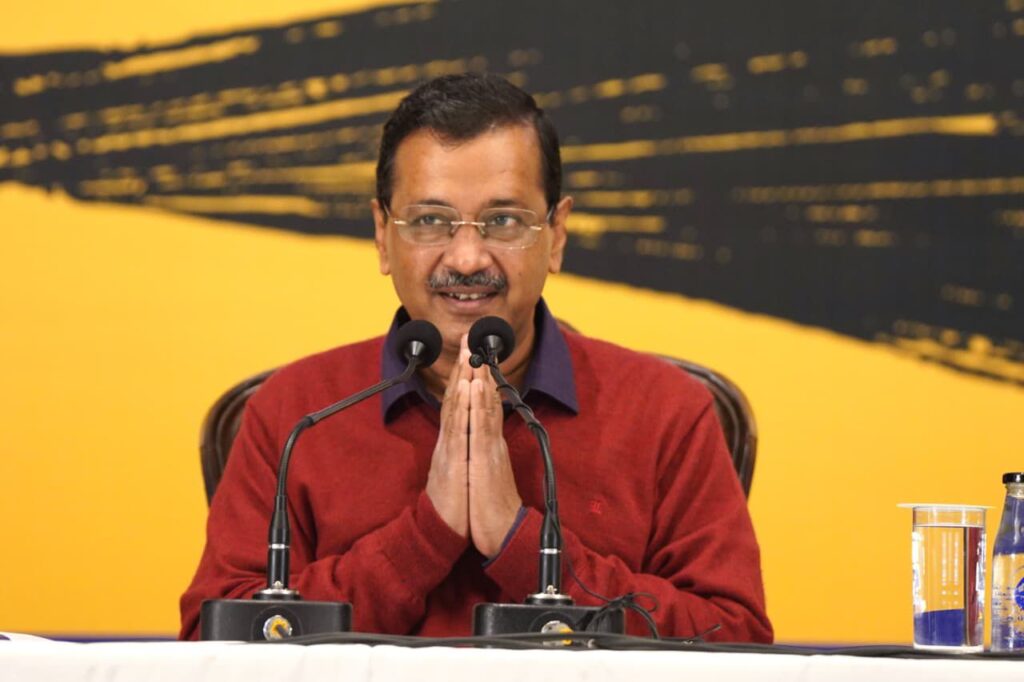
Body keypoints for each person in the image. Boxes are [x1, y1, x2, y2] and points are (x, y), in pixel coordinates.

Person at [179, 73, 772, 641]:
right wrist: (425, 535)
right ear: (383, 235)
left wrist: (521, 541)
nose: (466, 259)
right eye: (430, 221)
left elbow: (735, 638)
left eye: (503, 221)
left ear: (557, 234)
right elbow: (215, 639)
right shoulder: (296, 412)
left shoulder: (665, 412)